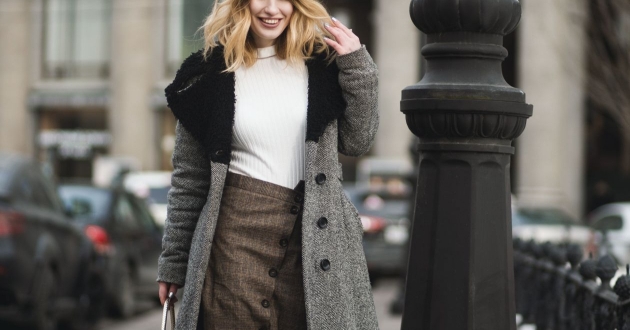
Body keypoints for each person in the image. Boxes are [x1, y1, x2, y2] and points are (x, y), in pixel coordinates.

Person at [156, 0, 379, 328]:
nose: (272, 8)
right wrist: (173, 264)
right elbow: (189, 179)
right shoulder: (208, 75)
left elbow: (357, 141)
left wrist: (357, 65)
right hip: (231, 246)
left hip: (313, 245)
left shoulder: (324, 67)